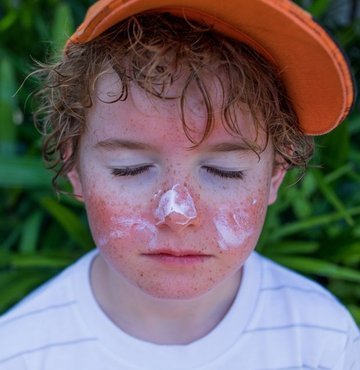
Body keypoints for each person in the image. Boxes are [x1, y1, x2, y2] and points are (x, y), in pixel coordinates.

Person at [0, 0, 359, 369]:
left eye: (225, 169)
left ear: (275, 174)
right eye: (130, 168)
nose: (177, 212)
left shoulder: (323, 341)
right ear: (73, 165)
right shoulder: (20, 354)